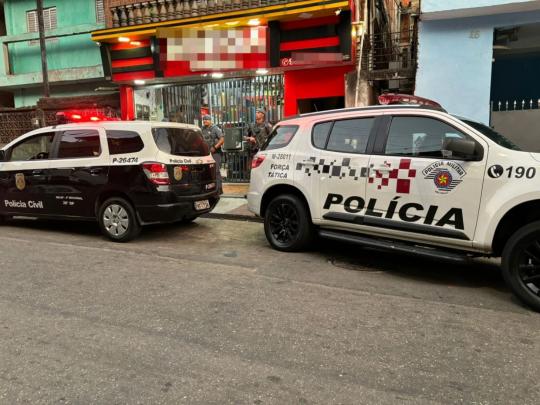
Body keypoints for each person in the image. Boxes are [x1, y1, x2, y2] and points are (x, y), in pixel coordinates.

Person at [201, 114, 224, 194]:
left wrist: (215, 147)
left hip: (215, 153)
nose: (205, 121)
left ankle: (219, 190)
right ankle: (210, 190)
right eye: (204, 119)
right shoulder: (202, 129)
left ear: (210, 120)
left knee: (216, 171)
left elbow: (222, 139)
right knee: (207, 172)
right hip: (206, 154)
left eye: (206, 119)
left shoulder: (215, 128)